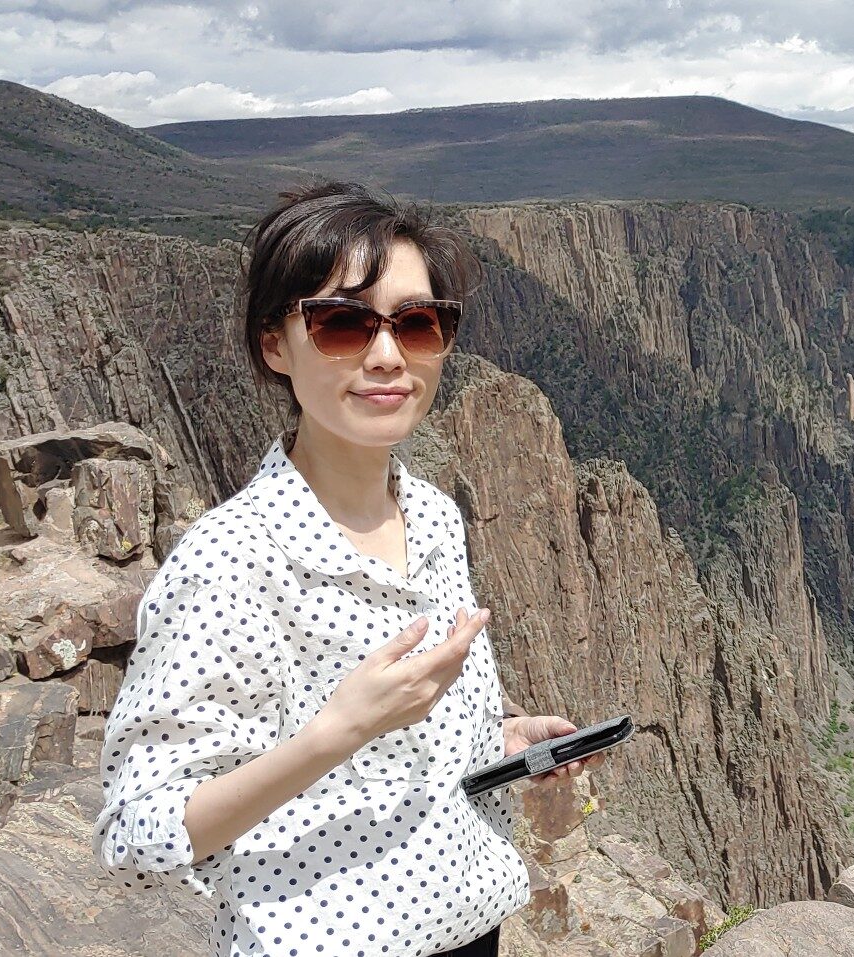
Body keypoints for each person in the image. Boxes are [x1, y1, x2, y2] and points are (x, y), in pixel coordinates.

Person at [92, 179, 606, 957]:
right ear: (274, 342)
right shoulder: (232, 559)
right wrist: (338, 729)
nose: (388, 355)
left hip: (470, 926)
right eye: (341, 323)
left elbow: (405, 753)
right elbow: (137, 833)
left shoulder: (434, 516)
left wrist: (504, 742)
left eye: (417, 322)